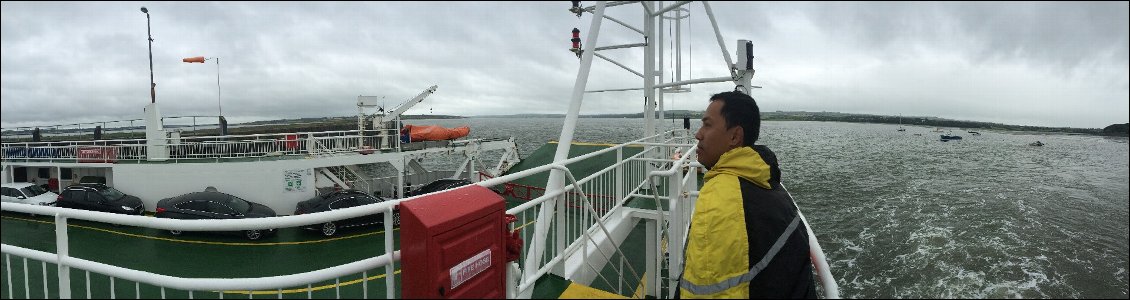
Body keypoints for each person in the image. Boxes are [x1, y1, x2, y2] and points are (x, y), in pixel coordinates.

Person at [679, 91, 817, 298]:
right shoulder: (766, 181)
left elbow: (709, 292)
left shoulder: (720, 199)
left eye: (707, 125)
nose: (698, 134)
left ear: (734, 136)